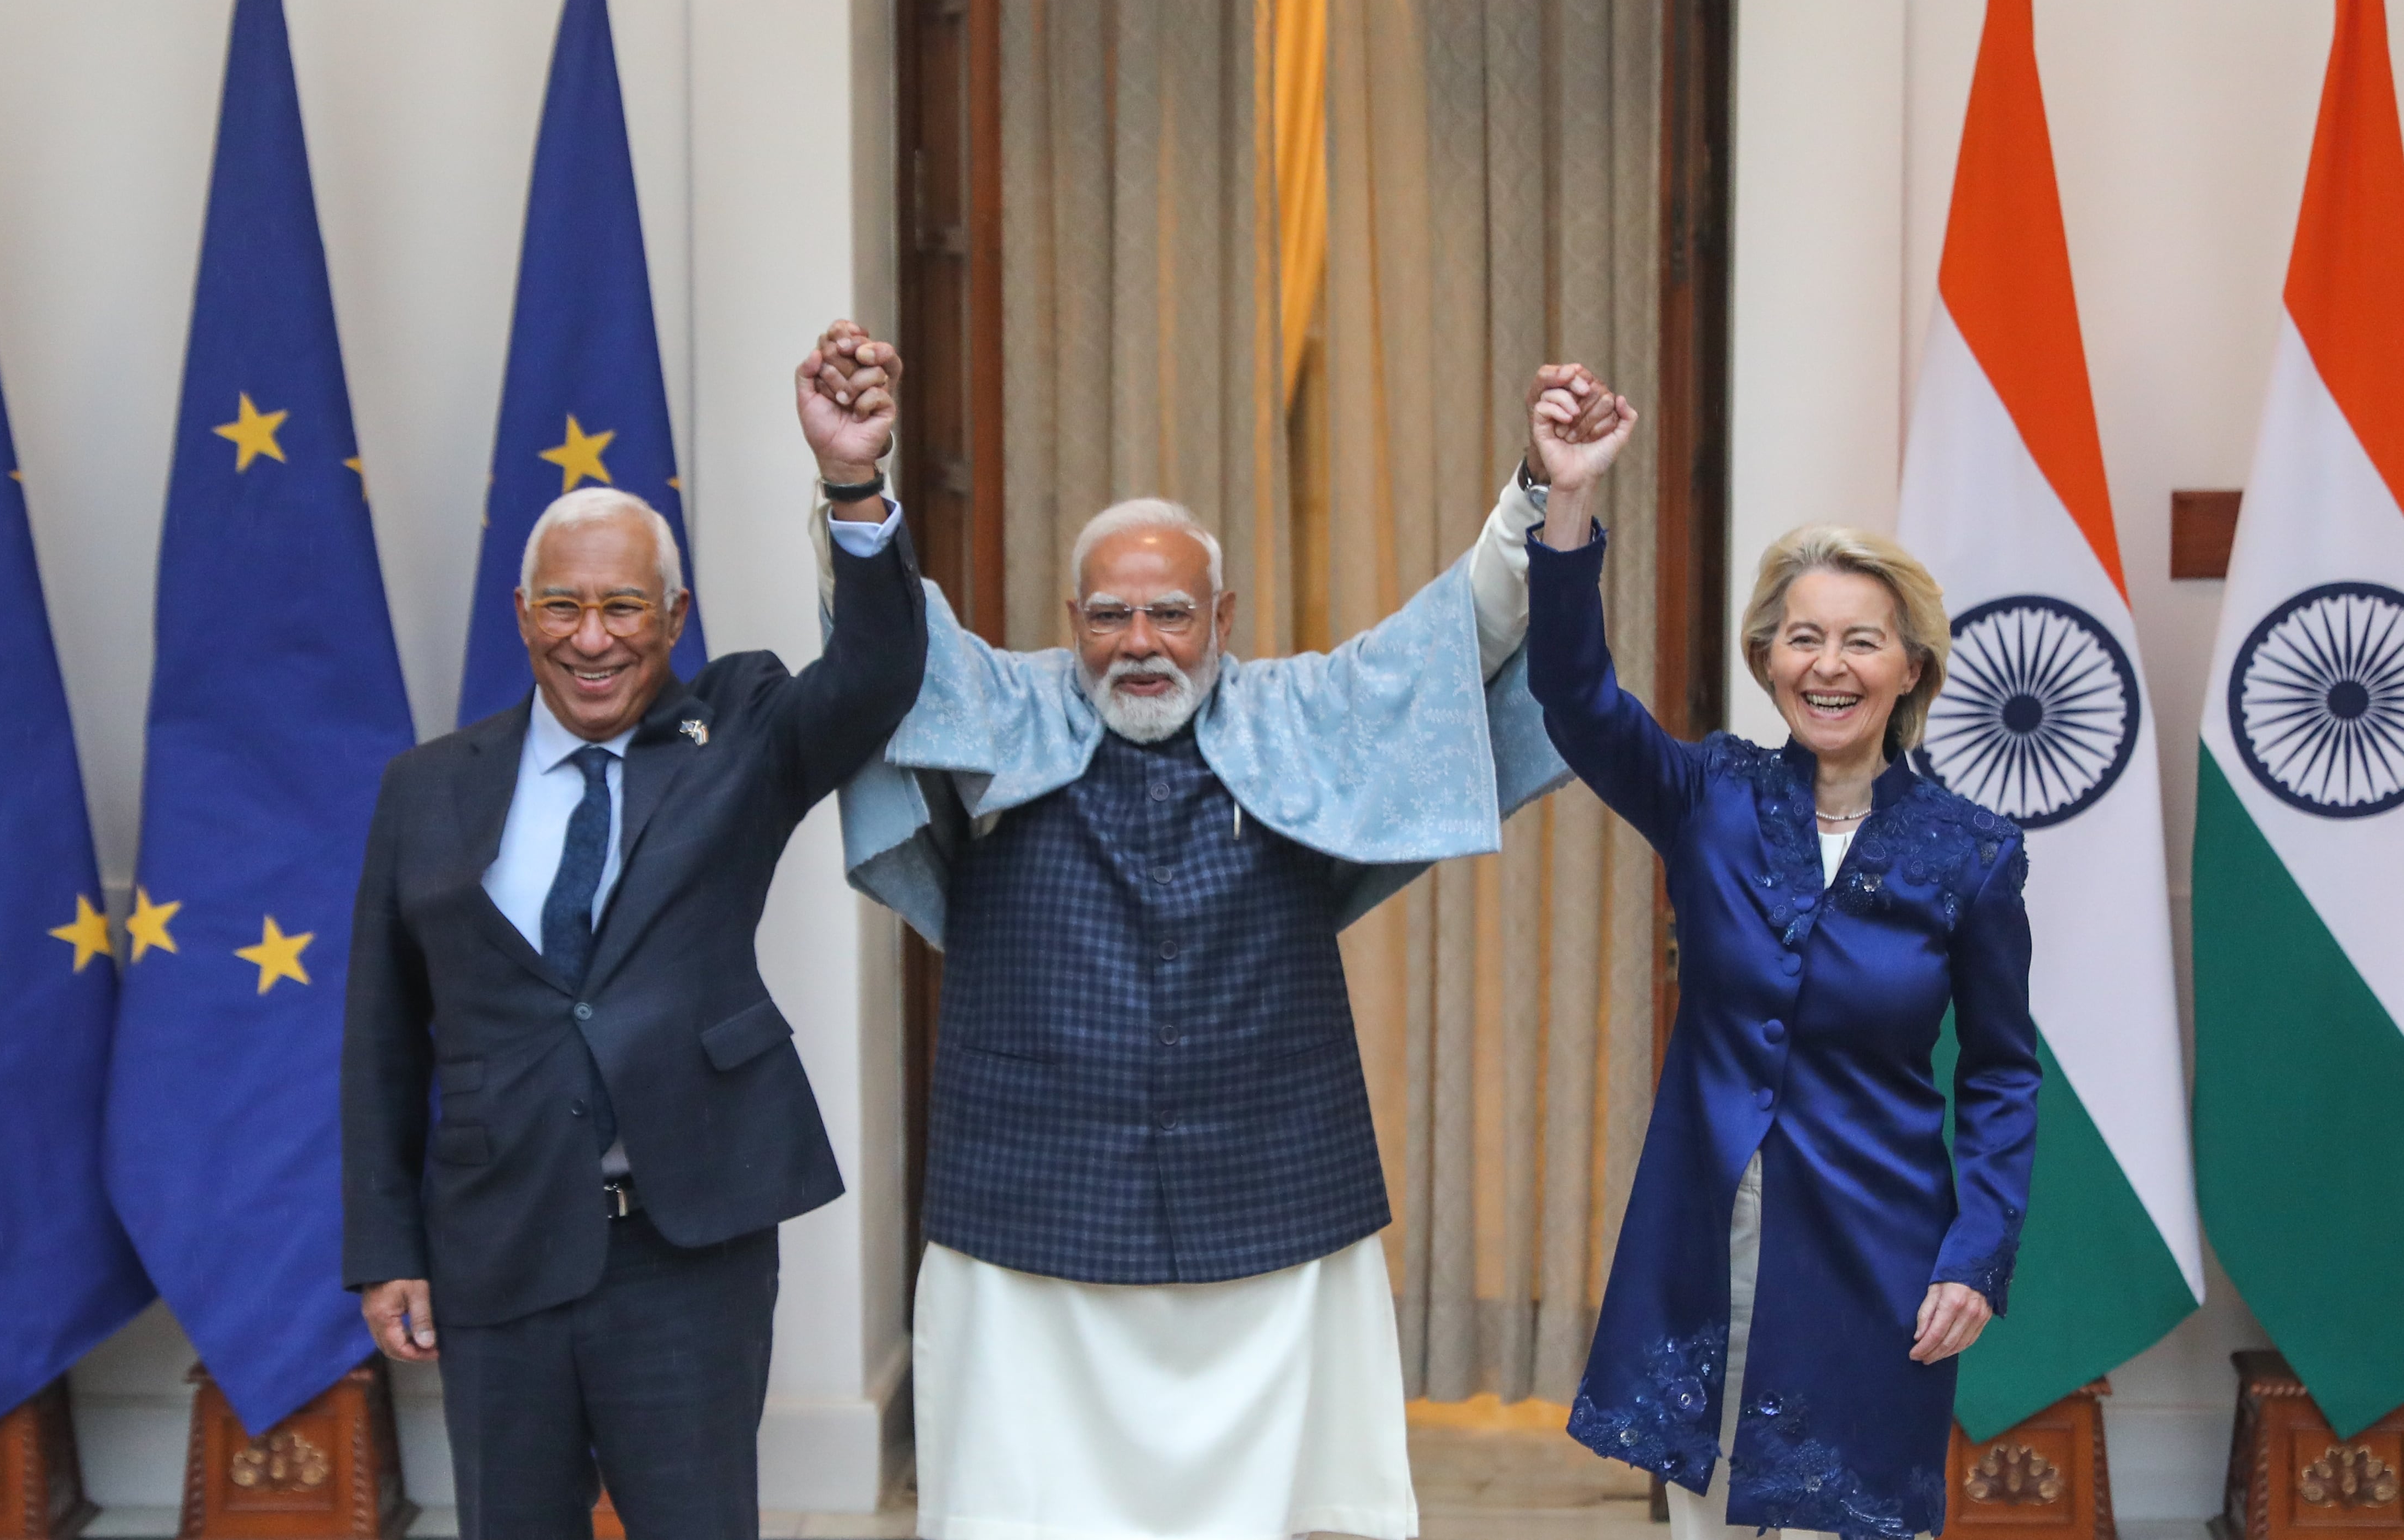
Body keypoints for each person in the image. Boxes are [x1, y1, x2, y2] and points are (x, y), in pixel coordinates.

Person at [813, 323, 1573, 1540]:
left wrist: (1537, 493)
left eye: (1169, 613)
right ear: (1072, 618)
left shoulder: (1299, 709)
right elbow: (885, 638)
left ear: (1221, 613)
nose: (1140, 643)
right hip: (1031, 1203)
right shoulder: (999, 703)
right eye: (1109, 615)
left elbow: (1454, 639)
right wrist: (855, 482)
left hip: (1272, 1196)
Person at [339, 335, 927, 1540]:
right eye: (562, 605)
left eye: (623, 607)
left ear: (675, 618)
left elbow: (875, 675)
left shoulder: (742, 734)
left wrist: (853, 486)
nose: (591, 637)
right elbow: (382, 1038)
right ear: (522, 613)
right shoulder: (427, 788)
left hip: (683, 1242)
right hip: (497, 1234)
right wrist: (385, 1247)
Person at [1521, 365, 2037, 1540]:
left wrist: (1977, 1251)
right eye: (1802, 637)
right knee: (1701, 1519)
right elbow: (1572, 695)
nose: (1829, 665)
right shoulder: (1707, 794)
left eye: (1862, 640)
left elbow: (2002, 1071)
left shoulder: (1970, 851)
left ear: (1910, 668)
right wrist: (1565, 501)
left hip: (1878, 1254)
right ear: (1767, 660)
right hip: (1699, 1238)